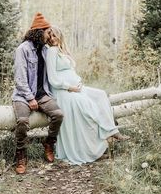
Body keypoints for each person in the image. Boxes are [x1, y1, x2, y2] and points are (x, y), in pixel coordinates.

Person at [46, 26, 129, 165]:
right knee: (86, 107)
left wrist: (77, 82)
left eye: (55, 35)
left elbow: (70, 71)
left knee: (101, 95)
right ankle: (91, 152)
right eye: (50, 37)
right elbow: (52, 79)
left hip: (75, 88)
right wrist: (70, 87)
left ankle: (111, 131)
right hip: (63, 92)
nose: (53, 39)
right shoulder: (51, 51)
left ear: (60, 35)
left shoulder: (63, 50)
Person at [12, 13, 64, 174]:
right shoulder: (23, 49)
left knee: (58, 114)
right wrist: (29, 98)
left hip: (42, 94)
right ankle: (21, 154)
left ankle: (49, 142)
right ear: (39, 32)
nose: (49, 35)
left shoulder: (46, 50)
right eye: (47, 32)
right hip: (23, 95)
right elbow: (20, 79)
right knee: (22, 121)